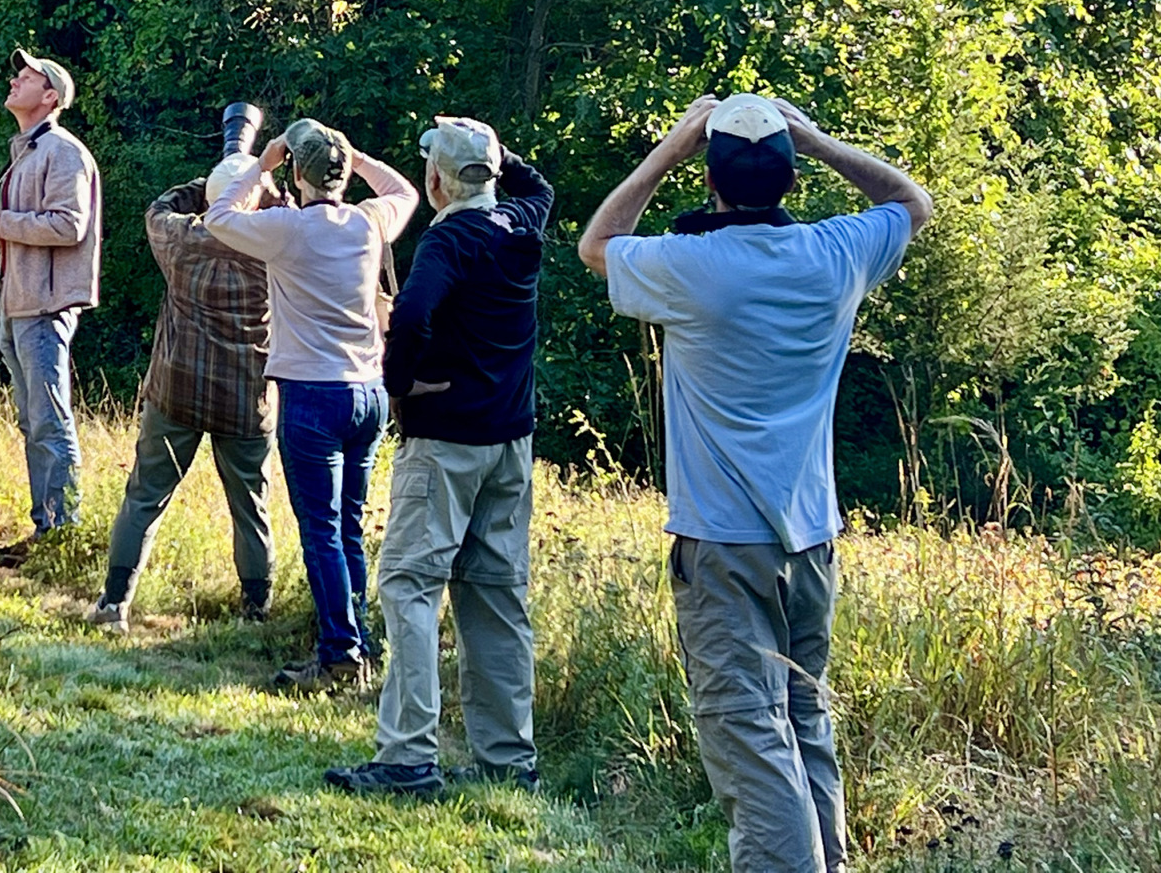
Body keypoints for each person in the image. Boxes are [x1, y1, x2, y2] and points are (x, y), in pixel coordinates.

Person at [577, 93, 933, 873]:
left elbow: (597, 243)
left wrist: (668, 147)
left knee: (747, 734)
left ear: (711, 176)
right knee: (803, 721)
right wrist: (818, 138)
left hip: (723, 542)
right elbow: (912, 200)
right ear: (789, 175)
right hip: (810, 537)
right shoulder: (836, 255)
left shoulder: (693, 268)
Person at [326, 116, 553, 798]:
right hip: (511, 441)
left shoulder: (447, 240)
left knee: (410, 585)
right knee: (496, 595)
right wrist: (489, 149)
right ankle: (509, 758)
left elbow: (414, 313)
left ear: (434, 181)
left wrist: (398, 385)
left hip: (448, 440)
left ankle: (407, 756)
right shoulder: (522, 226)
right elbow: (537, 184)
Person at [205, 117, 419, 692]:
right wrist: (355, 154)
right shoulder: (370, 222)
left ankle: (339, 655)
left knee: (321, 529)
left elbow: (219, 217)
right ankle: (358, 643)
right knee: (348, 527)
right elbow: (406, 192)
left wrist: (259, 164)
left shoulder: (287, 229)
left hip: (311, 394)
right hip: (368, 393)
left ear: (296, 173)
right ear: (344, 175)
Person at [86, 150, 280, 633]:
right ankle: (256, 613)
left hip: (178, 387)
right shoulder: (278, 247)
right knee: (250, 506)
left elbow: (161, 205)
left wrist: (216, 180)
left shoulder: (181, 239)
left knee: (146, 495)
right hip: (246, 398)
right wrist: (263, 184)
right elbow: (295, 220)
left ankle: (114, 604)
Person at [0, 49, 101, 560]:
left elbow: (70, 226)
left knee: (50, 420)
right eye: (16, 74)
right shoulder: (28, 151)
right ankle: (46, 529)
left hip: (44, 306)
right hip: (18, 300)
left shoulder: (62, 151)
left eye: (27, 77)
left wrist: (2, 221)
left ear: (51, 98)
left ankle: (62, 535)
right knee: (32, 419)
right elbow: (29, 231)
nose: (15, 80)